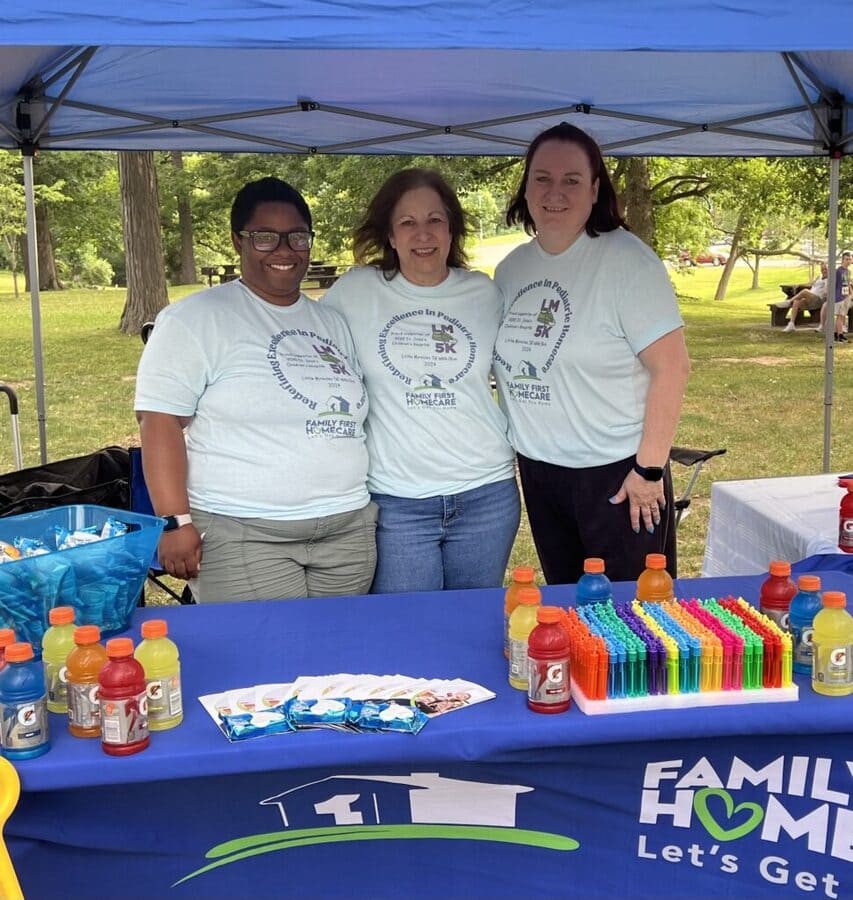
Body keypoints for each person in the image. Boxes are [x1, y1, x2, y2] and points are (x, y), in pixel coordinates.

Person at [135, 177, 376, 602]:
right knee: (265, 662)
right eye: (265, 237)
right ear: (238, 241)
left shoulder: (330, 322)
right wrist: (174, 522)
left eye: (297, 236)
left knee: (339, 661)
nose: (284, 250)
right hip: (244, 534)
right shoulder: (196, 318)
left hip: (346, 534)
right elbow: (159, 422)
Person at [492, 123, 691, 585]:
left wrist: (648, 469)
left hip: (618, 478)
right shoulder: (511, 269)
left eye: (571, 180)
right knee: (568, 610)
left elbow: (673, 367)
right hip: (540, 473)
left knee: (631, 623)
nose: (554, 193)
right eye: (541, 178)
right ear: (526, 187)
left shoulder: (628, 261)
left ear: (596, 187)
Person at [322, 168, 520, 594]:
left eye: (435, 220)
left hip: (486, 493)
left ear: (452, 230)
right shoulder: (356, 292)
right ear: (390, 236)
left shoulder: (484, 294)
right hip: (397, 502)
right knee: (405, 632)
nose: (423, 234)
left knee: (473, 625)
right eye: (407, 223)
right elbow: (307, 342)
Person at [781, 262, 828, 332]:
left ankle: (789, 301)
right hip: (811, 298)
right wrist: (799, 285)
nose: (824, 270)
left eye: (826, 269)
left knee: (805, 291)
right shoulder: (819, 276)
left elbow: (827, 291)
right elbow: (811, 283)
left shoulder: (830, 278)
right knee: (797, 301)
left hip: (819, 300)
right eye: (822, 269)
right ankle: (791, 324)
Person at [816, 251, 852, 342]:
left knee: (842, 315)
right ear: (842, 260)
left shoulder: (848, 271)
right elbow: (831, 284)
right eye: (847, 259)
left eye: (850, 259)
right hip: (838, 297)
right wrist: (830, 295)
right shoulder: (838, 271)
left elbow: (848, 284)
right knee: (839, 316)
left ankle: (838, 334)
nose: (848, 261)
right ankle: (838, 335)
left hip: (846, 297)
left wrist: (851, 294)